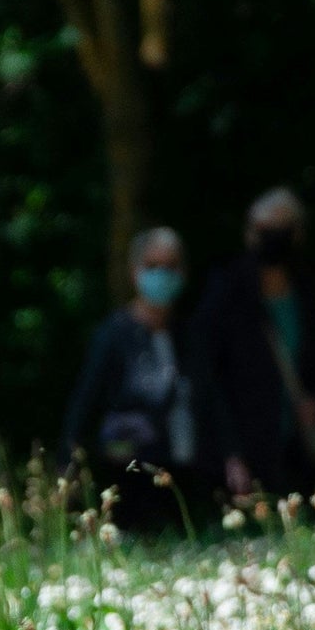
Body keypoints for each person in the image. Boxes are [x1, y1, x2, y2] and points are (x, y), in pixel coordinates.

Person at [193, 186, 315, 505]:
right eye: (262, 229)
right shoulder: (227, 292)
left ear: (296, 233)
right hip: (244, 449)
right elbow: (209, 377)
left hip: (297, 445)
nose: (269, 238)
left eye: (278, 230)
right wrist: (230, 452)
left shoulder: (308, 290)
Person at [60, 226, 202, 533]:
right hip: (127, 467)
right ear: (134, 271)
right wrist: (67, 460)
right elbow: (85, 401)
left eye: (170, 266)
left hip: (183, 466)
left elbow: (209, 400)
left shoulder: (189, 335)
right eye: (152, 267)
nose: (161, 276)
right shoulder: (113, 334)